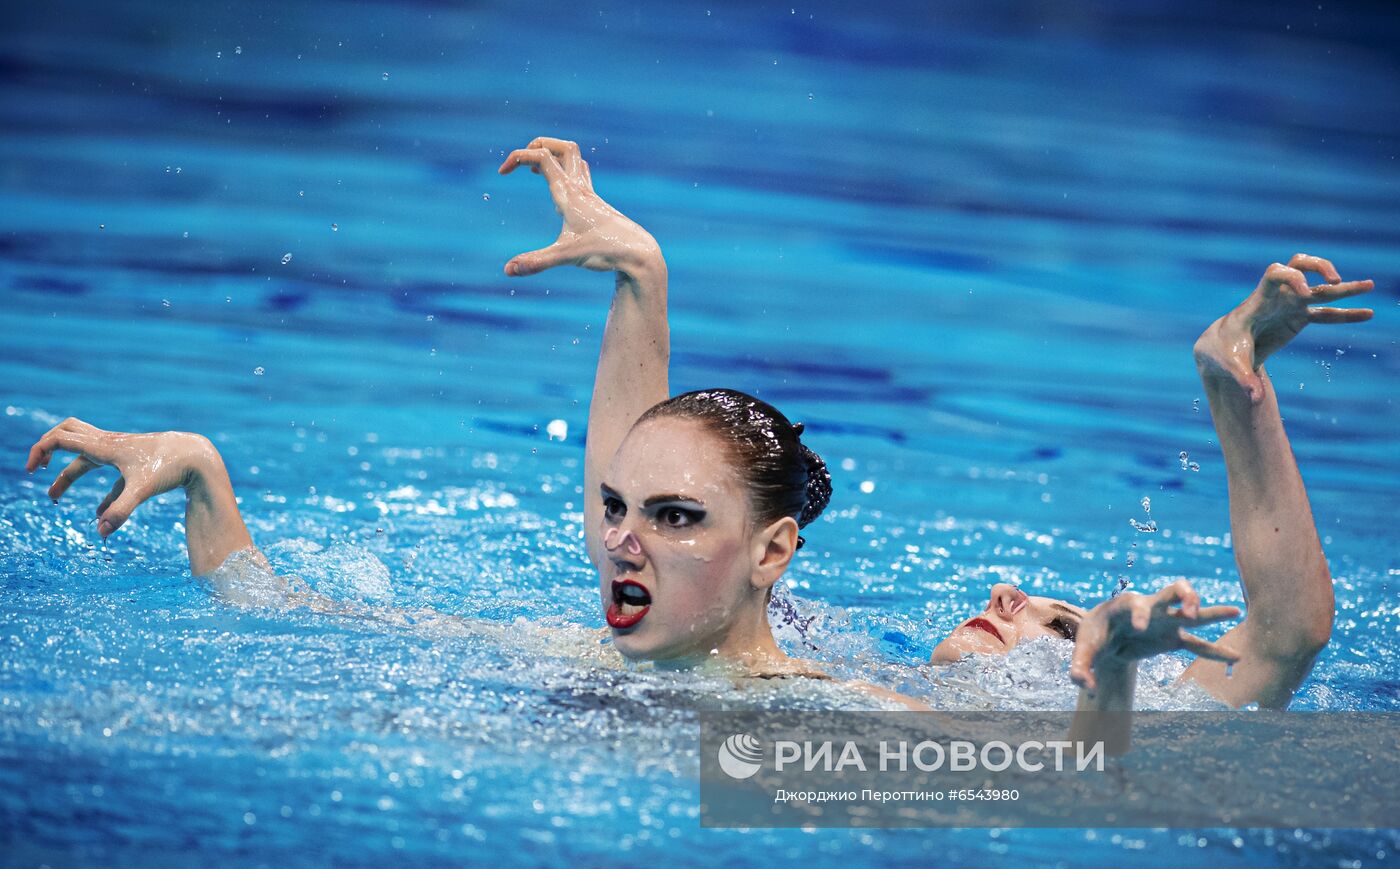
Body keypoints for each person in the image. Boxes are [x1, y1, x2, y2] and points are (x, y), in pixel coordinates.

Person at [25, 137, 1310, 719]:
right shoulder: (598, 640)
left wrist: (1234, 390)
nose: (620, 544)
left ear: (772, 555)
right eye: (616, 521)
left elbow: (1275, 656)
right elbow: (278, 610)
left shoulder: (848, 710)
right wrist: (201, 471)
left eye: (672, 522)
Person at [929, 254, 1375, 713]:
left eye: (1063, 631)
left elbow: (1289, 630)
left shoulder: (1138, 722)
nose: (1002, 593)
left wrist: (1234, 383)